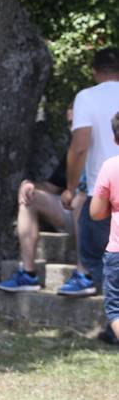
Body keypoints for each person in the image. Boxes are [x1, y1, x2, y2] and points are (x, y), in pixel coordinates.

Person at [0, 108, 87, 292]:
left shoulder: (108, 148)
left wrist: (76, 192)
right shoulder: (72, 152)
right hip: (74, 214)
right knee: (29, 196)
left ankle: (84, 274)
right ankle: (28, 274)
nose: (72, 129)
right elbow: (50, 187)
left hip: (103, 218)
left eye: (76, 123)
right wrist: (30, 185)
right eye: (69, 124)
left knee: (81, 199)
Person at [60, 47, 119, 295]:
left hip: (104, 190)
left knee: (97, 255)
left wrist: (70, 188)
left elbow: (80, 147)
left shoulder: (86, 97)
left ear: (94, 72)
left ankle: (113, 325)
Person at [90, 112, 119, 347]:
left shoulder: (110, 166)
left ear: (115, 138)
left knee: (116, 308)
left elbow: (96, 212)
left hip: (117, 252)